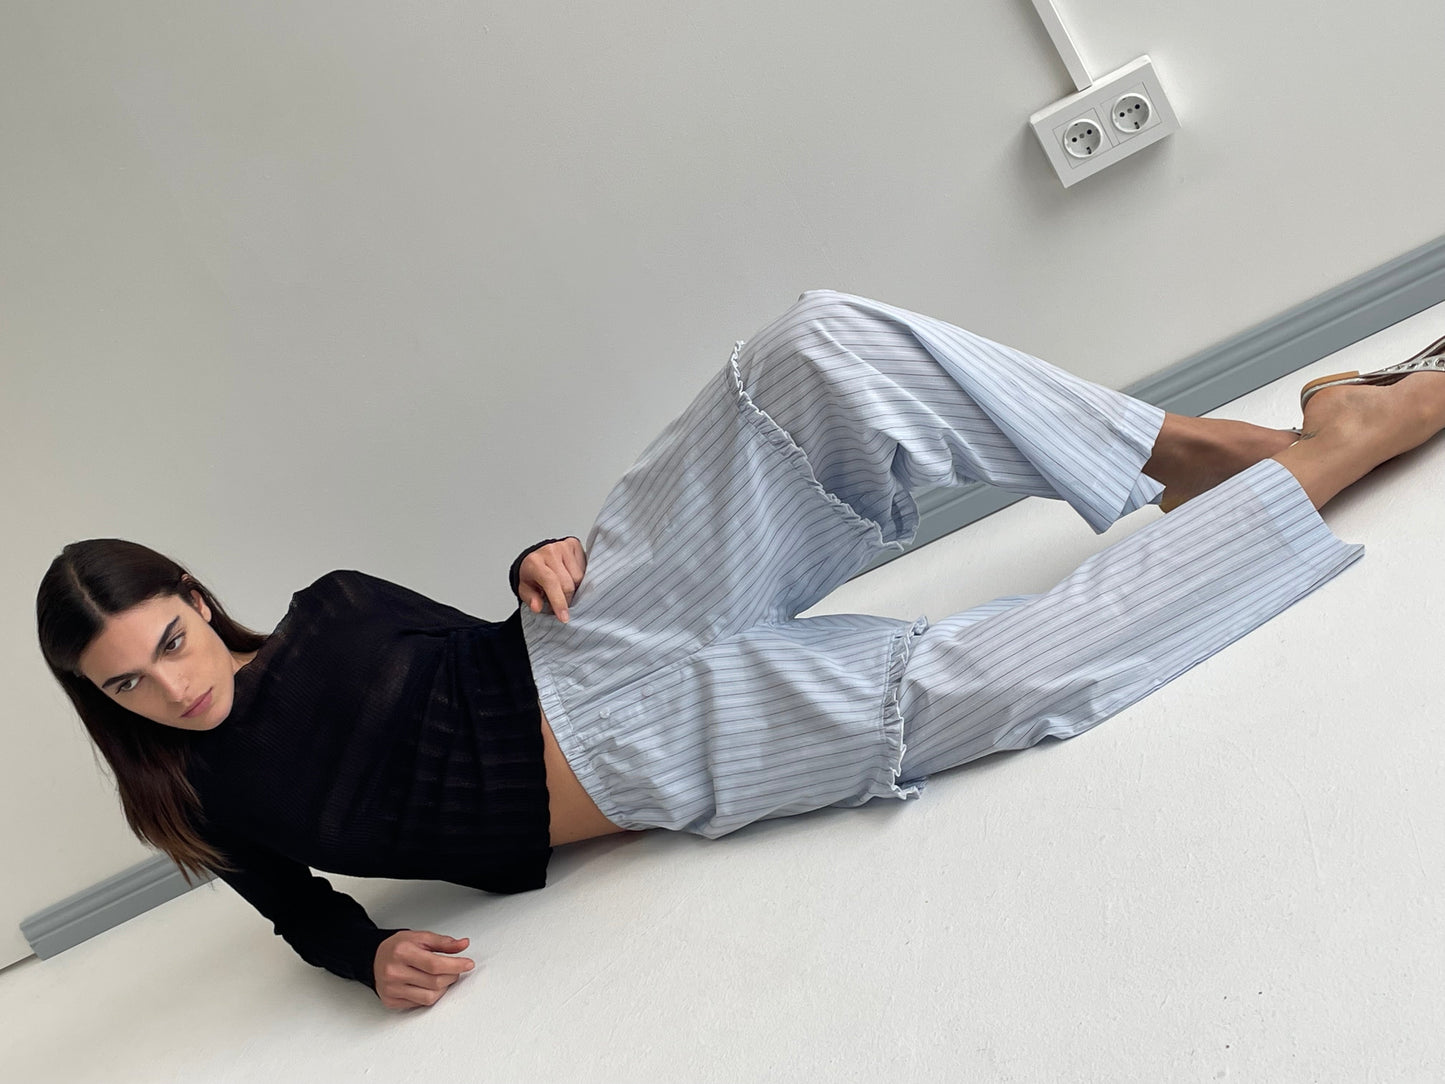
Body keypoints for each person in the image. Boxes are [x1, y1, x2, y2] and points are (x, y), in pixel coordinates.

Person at [35, 290, 1445, 1012]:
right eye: (130, 682)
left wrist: (538, 553)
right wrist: (367, 959)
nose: (175, 683)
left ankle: (1231, 450)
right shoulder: (194, 802)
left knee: (819, 345)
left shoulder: (332, 604)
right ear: (103, 705)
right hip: (651, 758)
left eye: (170, 636)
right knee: (1006, 683)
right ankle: (1342, 438)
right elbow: (301, 912)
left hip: (596, 632)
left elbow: (476, 639)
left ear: (199, 601)